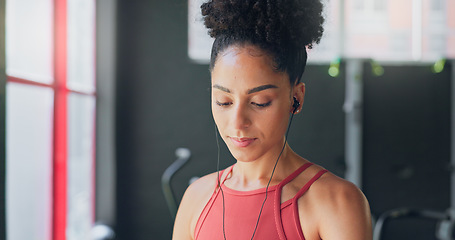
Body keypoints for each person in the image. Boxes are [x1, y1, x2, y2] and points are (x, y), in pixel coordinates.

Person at [173, 0, 372, 239]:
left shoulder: (336, 202)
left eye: (259, 102)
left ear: (295, 98)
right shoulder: (196, 198)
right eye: (223, 101)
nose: (237, 122)